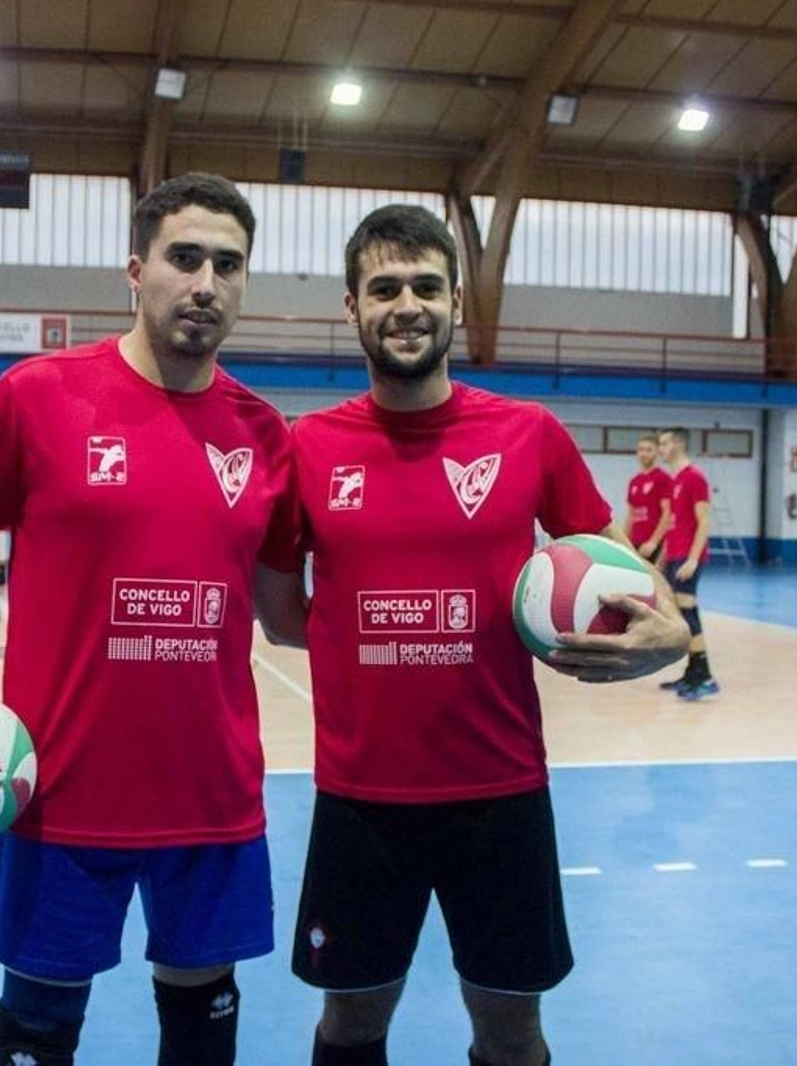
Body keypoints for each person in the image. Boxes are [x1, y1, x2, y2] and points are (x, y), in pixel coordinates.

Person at [0, 173, 301, 1066]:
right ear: (135, 271)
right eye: (184, 258)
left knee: (203, 1036)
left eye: (228, 265)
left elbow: (289, 617)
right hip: (57, 796)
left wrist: (452, 627)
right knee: (36, 1034)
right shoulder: (38, 397)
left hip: (211, 799)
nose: (205, 283)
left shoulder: (264, 435)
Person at [278, 205, 687, 1066]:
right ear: (352, 307)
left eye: (427, 287)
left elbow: (617, 564)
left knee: (512, 1032)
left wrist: (671, 633)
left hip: (501, 793)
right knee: (351, 1024)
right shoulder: (308, 446)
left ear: (456, 303)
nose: (408, 305)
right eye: (384, 288)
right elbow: (283, 617)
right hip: (361, 798)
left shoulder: (527, 434)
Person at [655, 426, 718, 700]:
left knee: (688, 612)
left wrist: (692, 559)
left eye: (664, 444)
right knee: (681, 614)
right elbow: (673, 523)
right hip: (675, 555)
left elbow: (704, 521)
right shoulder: (676, 480)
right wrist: (663, 557)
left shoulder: (695, 477)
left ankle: (705, 677)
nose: (661, 449)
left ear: (678, 445)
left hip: (688, 557)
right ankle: (692, 673)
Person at [624, 432, 672, 564]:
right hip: (635, 544)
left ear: (657, 453)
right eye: (641, 450)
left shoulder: (663, 478)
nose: (644, 453)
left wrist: (654, 542)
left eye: (649, 450)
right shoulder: (634, 481)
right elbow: (630, 515)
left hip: (654, 545)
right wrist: (624, 542)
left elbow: (668, 513)